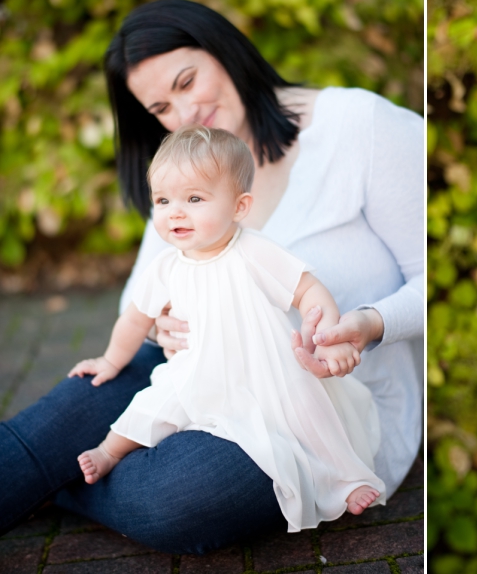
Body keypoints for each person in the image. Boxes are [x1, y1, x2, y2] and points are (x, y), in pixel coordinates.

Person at [0, 0, 423, 554]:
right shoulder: (186, 170)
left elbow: (429, 275)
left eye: (187, 80)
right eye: (160, 107)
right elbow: (142, 293)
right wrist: (163, 327)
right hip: (204, 378)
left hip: (319, 405)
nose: (184, 113)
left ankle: (61, 480)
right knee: (65, 411)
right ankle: (55, 461)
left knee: (178, 494)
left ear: (224, 50)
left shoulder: (360, 127)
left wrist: (367, 324)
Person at [70, 125, 384, 524]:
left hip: (266, 368)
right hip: (197, 371)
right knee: (153, 404)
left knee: (310, 410)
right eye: (163, 200)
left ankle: (346, 479)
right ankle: (109, 452)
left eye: (194, 198)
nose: (175, 212)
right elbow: (135, 320)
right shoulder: (165, 268)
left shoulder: (253, 250)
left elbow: (309, 291)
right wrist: (111, 361)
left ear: (239, 207)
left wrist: (327, 336)